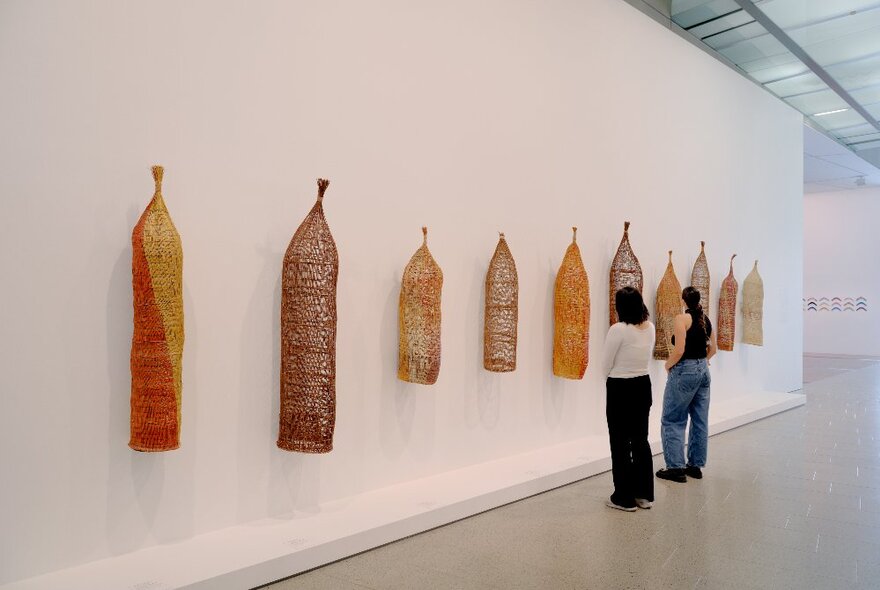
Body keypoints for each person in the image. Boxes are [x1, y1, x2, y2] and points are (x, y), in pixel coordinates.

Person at [601, 287, 655, 511]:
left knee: (620, 442)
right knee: (640, 440)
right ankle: (643, 495)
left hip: (620, 388)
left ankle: (623, 497)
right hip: (643, 385)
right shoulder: (649, 327)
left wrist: (612, 377)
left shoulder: (618, 330)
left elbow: (606, 363)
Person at [656, 287, 717, 483]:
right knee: (700, 420)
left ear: (683, 301)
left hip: (685, 371)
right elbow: (713, 349)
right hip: (703, 372)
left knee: (673, 419)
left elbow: (679, 349)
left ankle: (675, 468)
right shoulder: (705, 319)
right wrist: (703, 361)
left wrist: (668, 364)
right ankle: (695, 466)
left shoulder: (681, 319)